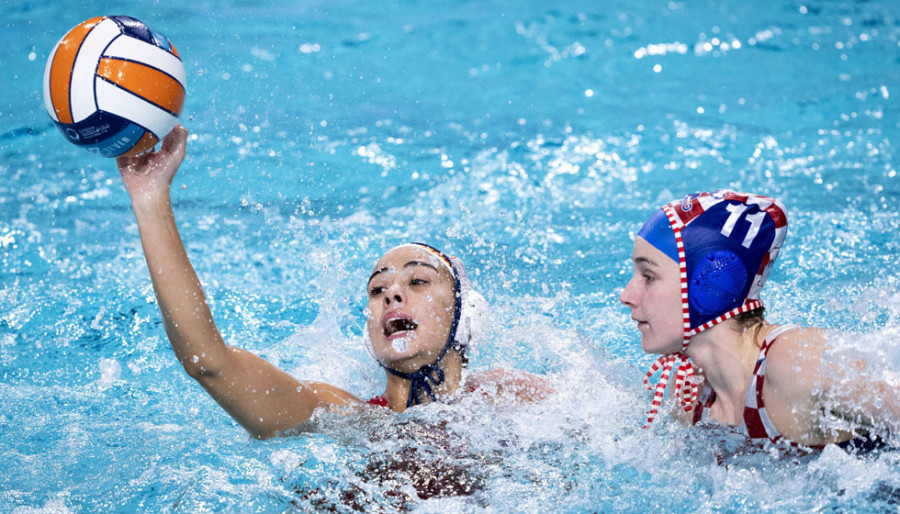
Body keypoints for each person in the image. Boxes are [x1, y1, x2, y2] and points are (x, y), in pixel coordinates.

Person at [116, 124, 549, 440]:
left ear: (466, 315)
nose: (392, 294)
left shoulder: (514, 402)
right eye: (377, 290)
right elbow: (208, 362)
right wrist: (150, 196)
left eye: (418, 282)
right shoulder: (341, 417)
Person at [620, 190, 897, 452]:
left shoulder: (797, 363)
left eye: (649, 276)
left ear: (709, 284)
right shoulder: (689, 395)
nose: (626, 295)